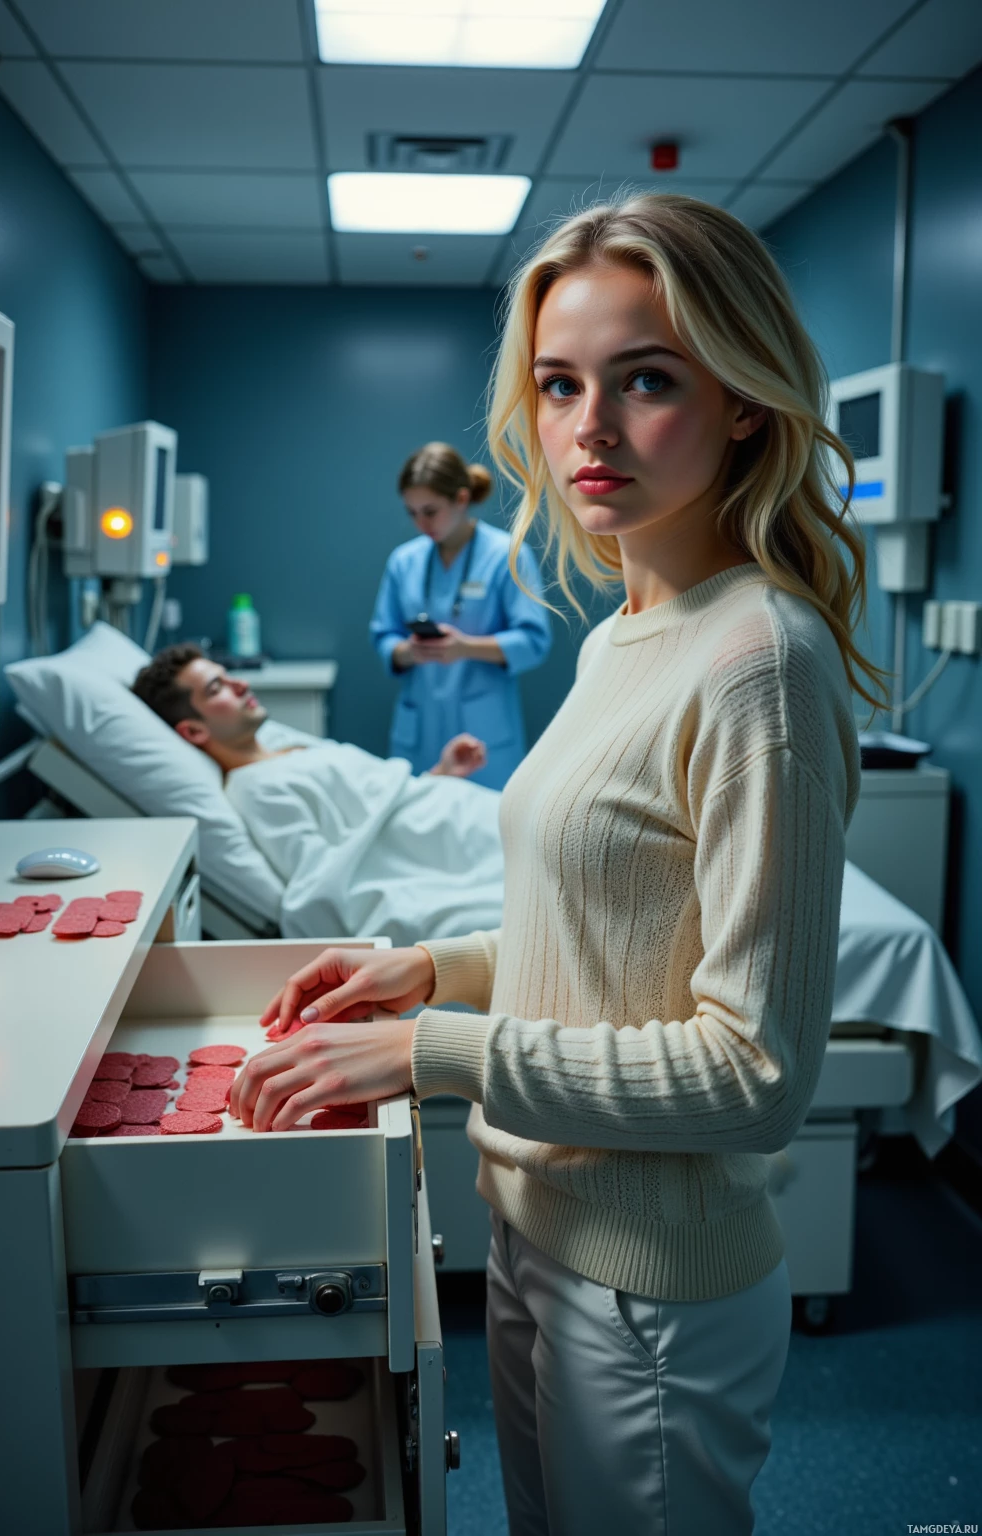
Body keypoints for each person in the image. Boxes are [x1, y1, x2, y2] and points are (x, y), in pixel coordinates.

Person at [230, 193, 883, 1536]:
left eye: (648, 380)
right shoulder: (621, 633)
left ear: (746, 400)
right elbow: (599, 929)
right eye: (560, 383)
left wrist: (438, 1049)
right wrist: (434, 966)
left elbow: (755, 1075)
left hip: (653, 1284)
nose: (590, 427)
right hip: (535, 1227)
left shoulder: (759, 661)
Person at [131, 644, 505, 944]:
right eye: (218, 689)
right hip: (448, 855)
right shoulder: (255, 789)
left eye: (229, 677)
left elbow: (364, 802)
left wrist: (439, 775)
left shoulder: (286, 746)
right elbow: (324, 877)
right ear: (194, 731)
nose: (240, 685)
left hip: (450, 813)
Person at [369, 441, 551, 790]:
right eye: (412, 512)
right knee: (414, 828)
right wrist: (407, 652)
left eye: (430, 510)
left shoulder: (507, 556)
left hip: (482, 737)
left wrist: (466, 647)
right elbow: (382, 635)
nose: (421, 523)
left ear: (462, 499)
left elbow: (533, 642)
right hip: (419, 730)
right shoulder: (403, 561)